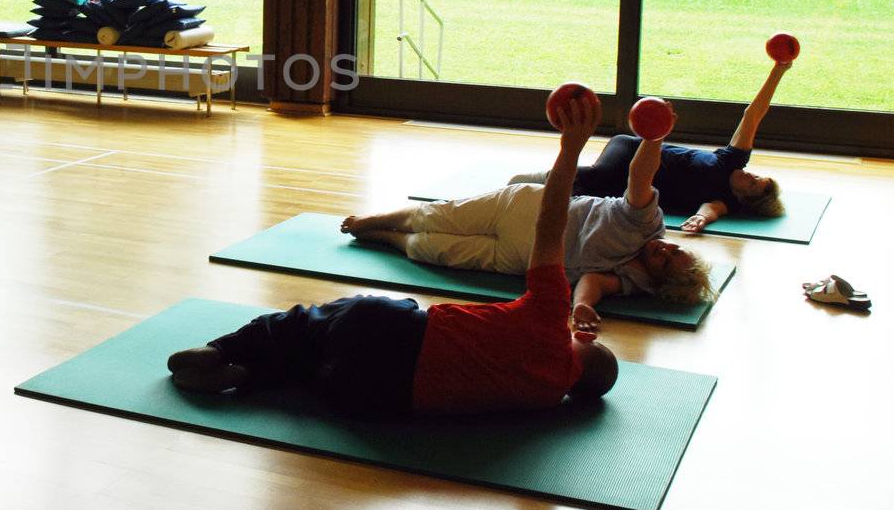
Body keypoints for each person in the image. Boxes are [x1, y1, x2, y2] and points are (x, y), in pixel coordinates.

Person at [167, 91, 620, 415]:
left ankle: (223, 350)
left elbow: (549, 226)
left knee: (306, 324)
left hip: (391, 334)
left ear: (584, 341)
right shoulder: (543, 400)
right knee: (311, 367)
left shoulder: (550, 324)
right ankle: (249, 376)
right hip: (370, 398)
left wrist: (570, 150)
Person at [338, 117, 713, 331]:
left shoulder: (637, 280)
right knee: (436, 214)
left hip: (518, 258)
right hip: (524, 208)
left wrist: (580, 307)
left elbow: (593, 282)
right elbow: (640, 178)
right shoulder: (646, 220)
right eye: (674, 248)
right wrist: (654, 137)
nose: (664, 248)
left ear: (656, 277)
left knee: (430, 249)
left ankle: (385, 237)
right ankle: (373, 220)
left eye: (664, 259)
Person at [509, 58, 793, 231]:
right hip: (631, 147)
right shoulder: (734, 160)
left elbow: (709, 210)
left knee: (603, 192)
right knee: (601, 177)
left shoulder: (724, 199)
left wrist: (699, 220)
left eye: (753, 184)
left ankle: (534, 191)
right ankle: (535, 182)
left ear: (743, 198)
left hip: (629, 185)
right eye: (758, 176)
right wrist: (778, 71)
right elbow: (753, 114)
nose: (751, 176)